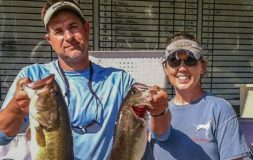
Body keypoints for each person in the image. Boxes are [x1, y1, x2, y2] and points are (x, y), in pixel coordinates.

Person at [0, 0, 171, 159]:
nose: (68, 37)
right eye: (58, 31)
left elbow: (161, 134)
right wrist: (16, 106)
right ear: (49, 40)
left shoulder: (119, 80)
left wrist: (159, 110)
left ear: (86, 28)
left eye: (73, 27)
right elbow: (1, 136)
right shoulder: (33, 76)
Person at [150, 32, 252, 160]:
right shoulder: (154, 112)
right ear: (165, 68)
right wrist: (156, 111)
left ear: (202, 67)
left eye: (190, 61)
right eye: (174, 61)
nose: (182, 68)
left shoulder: (218, 109)